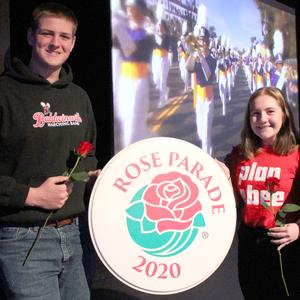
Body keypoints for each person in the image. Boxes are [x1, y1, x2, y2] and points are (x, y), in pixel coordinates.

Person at [0, 3, 99, 299]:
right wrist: (30, 195)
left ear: (73, 43)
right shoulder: (5, 94)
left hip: (76, 236)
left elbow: (90, 155)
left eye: (65, 36)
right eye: (47, 33)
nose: (56, 43)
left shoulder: (79, 97)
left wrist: (87, 176)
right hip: (22, 240)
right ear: (31, 37)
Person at [225, 87, 300, 299]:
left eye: (270, 111)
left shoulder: (296, 153)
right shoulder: (239, 154)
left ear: (284, 114)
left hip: (285, 245)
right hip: (249, 243)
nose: (262, 119)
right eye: (255, 113)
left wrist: (298, 228)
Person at [114, 0, 155, 150]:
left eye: (133, 9)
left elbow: (133, 51)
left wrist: (120, 30)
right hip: (124, 79)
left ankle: (130, 152)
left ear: (141, 12)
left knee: (133, 121)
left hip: (138, 80)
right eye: (128, 9)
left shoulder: (147, 34)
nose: (130, 12)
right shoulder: (123, 29)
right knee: (124, 118)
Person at [186, 26, 216, 155]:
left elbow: (208, 74)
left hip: (208, 96)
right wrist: (193, 56)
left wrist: (201, 58)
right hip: (198, 95)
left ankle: (206, 155)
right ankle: (205, 146)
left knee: (205, 131)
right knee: (200, 128)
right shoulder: (196, 56)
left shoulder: (212, 59)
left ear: (208, 42)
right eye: (200, 40)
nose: (202, 43)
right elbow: (189, 68)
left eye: (204, 40)